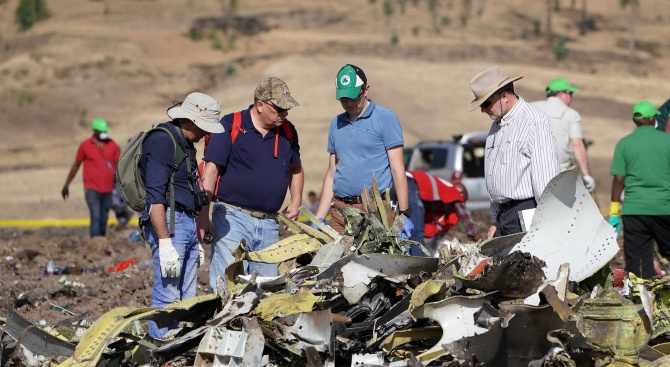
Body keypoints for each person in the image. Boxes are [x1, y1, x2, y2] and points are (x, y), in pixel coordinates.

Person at [198, 77, 303, 292]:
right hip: (231, 218)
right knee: (227, 285)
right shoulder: (231, 124)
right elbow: (211, 170)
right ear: (260, 105)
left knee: (266, 290)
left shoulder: (288, 132)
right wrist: (203, 214)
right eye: (280, 109)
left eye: (286, 109)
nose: (285, 114)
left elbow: (296, 169)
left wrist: (296, 200)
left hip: (269, 224)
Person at [140, 92, 224, 339]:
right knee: (168, 296)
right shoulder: (161, 141)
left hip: (185, 224)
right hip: (169, 224)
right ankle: (159, 351)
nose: (205, 134)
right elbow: (155, 199)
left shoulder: (186, 144)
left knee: (187, 297)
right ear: (192, 121)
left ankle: (179, 351)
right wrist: (165, 243)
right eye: (204, 127)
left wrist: (194, 236)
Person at [313, 64, 413, 238]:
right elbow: (332, 173)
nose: (349, 104)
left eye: (353, 97)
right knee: (337, 263)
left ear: (366, 90)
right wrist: (319, 218)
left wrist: (404, 214)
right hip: (340, 211)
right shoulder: (336, 124)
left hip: (374, 211)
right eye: (344, 99)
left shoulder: (385, 118)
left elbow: (397, 169)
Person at [467, 66, 559, 238]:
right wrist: (496, 219)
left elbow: (546, 176)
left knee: (528, 264)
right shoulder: (496, 125)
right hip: (505, 216)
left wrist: (547, 220)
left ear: (504, 96)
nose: (483, 110)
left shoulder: (534, 121)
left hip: (528, 212)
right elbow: (494, 174)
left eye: (486, 103)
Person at [609, 101, 670, 278]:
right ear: (653, 118)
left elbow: (618, 179)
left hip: (634, 211)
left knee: (639, 263)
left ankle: (643, 300)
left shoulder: (624, 144)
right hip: (664, 208)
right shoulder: (667, 141)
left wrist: (613, 213)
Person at [530, 78, 595, 192]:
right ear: (562, 94)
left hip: (531, 171)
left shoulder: (531, 108)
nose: (572, 97)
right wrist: (586, 175)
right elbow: (576, 144)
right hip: (560, 172)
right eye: (570, 93)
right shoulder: (571, 114)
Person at [62, 118, 121, 238]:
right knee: (96, 215)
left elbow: (119, 165)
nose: (105, 133)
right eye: (102, 131)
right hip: (92, 188)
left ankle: (101, 242)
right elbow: (76, 165)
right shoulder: (85, 146)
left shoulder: (112, 144)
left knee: (104, 217)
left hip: (108, 189)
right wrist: (67, 185)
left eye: (105, 131)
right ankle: (95, 242)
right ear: (95, 131)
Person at [404, 170, 481, 257]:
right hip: (411, 183)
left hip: (400, 178)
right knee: (416, 235)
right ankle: (419, 267)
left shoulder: (439, 189)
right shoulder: (454, 192)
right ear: (461, 194)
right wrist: (478, 239)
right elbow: (466, 217)